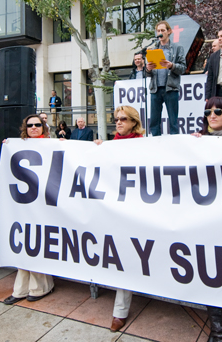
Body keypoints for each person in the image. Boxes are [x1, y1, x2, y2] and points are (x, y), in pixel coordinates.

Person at [191, 97, 222, 341]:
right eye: (208, 111)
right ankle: (218, 331)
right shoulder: (195, 140)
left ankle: (220, 329)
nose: (212, 115)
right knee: (211, 272)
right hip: (204, 221)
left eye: (218, 111)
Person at [94, 106, 145, 332]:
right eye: (116, 119)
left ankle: (121, 310)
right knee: (120, 255)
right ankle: (120, 311)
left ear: (134, 122)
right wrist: (96, 150)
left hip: (140, 211)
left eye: (124, 119)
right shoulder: (110, 145)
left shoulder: (147, 144)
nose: (119, 122)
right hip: (115, 211)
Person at [4, 114, 56, 305]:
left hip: (44, 203)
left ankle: (41, 285)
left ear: (43, 127)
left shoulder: (53, 144)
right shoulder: (17, 145)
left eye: (37, 124)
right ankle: (21, 287)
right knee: (24, 242)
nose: (34, 127)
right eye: (30, 125)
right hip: (23, 204)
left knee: (37, 243)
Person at [145, 20, 187, 136]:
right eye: (158, 31)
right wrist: (148, 68)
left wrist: (171, 65)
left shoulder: (177, 48)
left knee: (173, 121)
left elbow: (183, 68)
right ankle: (156, 142)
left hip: (171, 88)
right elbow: (148, 74)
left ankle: (174, 144)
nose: (160, 33)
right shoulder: (152, 49)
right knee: (154, 121)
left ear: (169, 32)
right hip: (155, 89)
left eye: (162, 30)